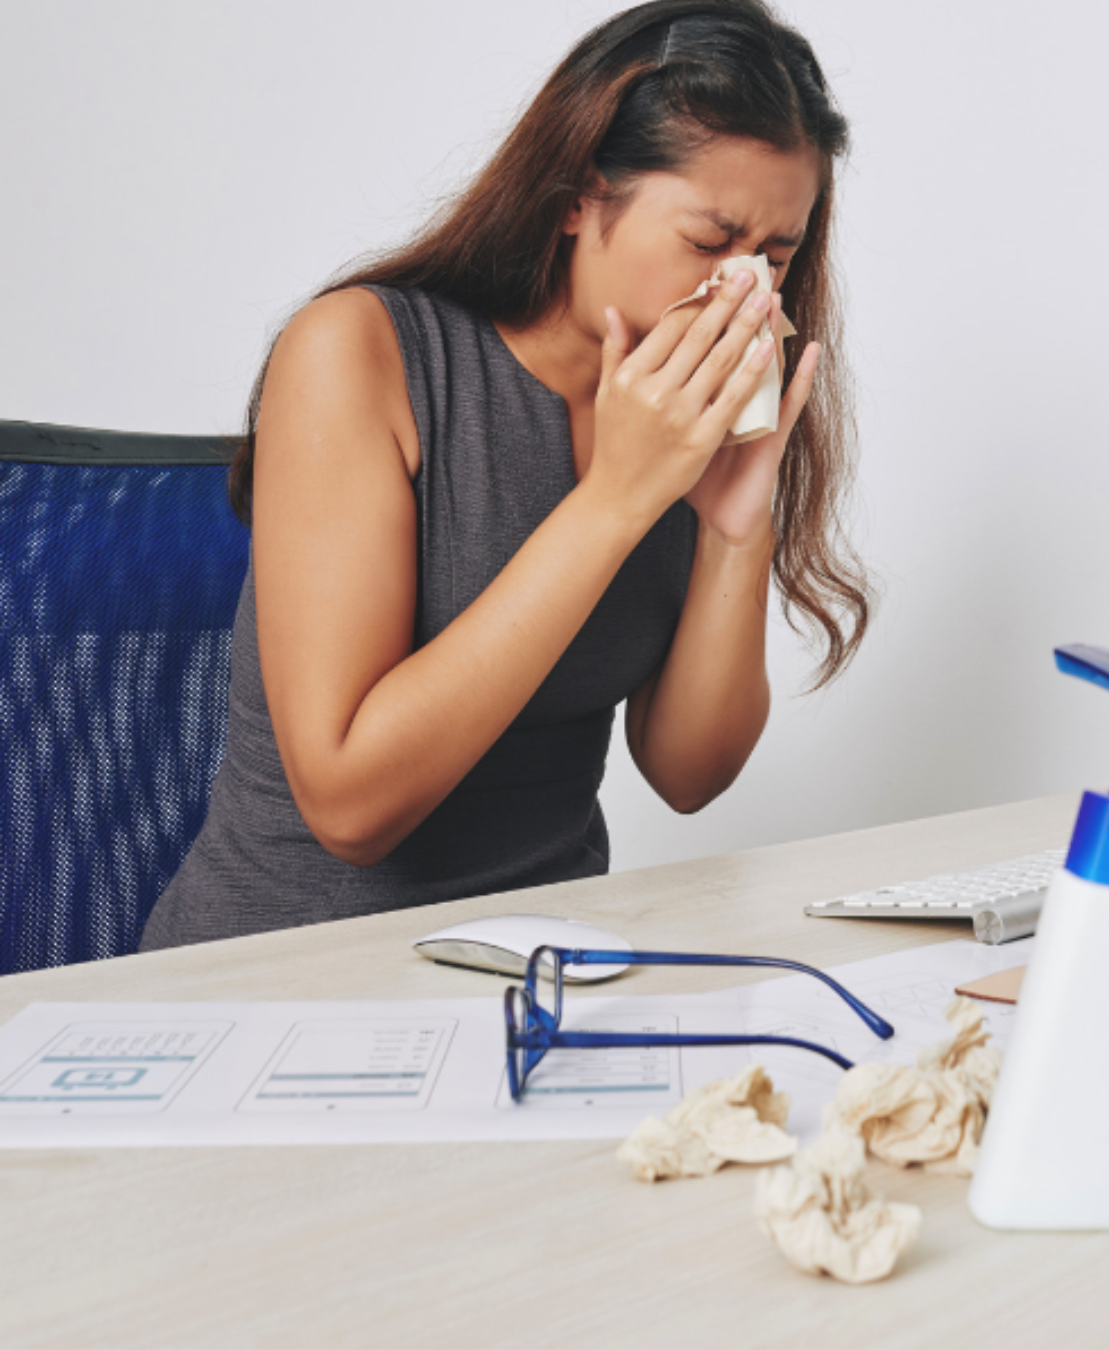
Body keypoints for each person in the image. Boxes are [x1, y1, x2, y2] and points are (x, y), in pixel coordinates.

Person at [140, 0, 870, 949]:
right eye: (707, 241)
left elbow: (688, 775)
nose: (742, 293)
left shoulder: (682, 418)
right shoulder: (358, 354)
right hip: (293, 969)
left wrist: (735, 527)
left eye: (774, 256)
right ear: (576, 196)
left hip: (547, 971)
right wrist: (615, 498)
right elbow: (351, 807)